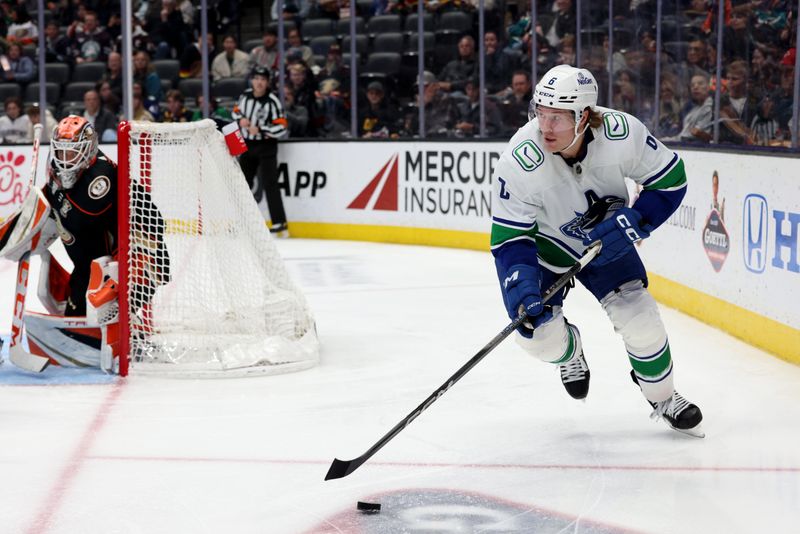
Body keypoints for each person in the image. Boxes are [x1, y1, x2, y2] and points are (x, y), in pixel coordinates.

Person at [490, 65, 703, 437]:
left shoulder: (623, 134)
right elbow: (511, 238)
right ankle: (570, 353)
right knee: (538, 338)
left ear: (584, 116)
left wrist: (636, 220)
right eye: (540, 113)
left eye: (556, 118)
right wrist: (521, 284)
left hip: (607, 243)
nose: (545, 127)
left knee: (642, 322)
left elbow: (670, 181)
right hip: (547, 251)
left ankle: (664, 397)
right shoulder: (519, 160)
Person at [231, 66, 289, 235]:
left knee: (270, 184)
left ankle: (280, 222)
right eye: (256, 78)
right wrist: (240, 119)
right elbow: (235, 111)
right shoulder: (245, 96)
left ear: (267, 82)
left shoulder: (272, 101)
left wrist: (262, 129)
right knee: (242, 184)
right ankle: (238, 220)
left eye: (263, 79)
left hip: (266, 146)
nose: (259, 82)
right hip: (247, 144)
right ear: (252, 80)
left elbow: (282, 126)